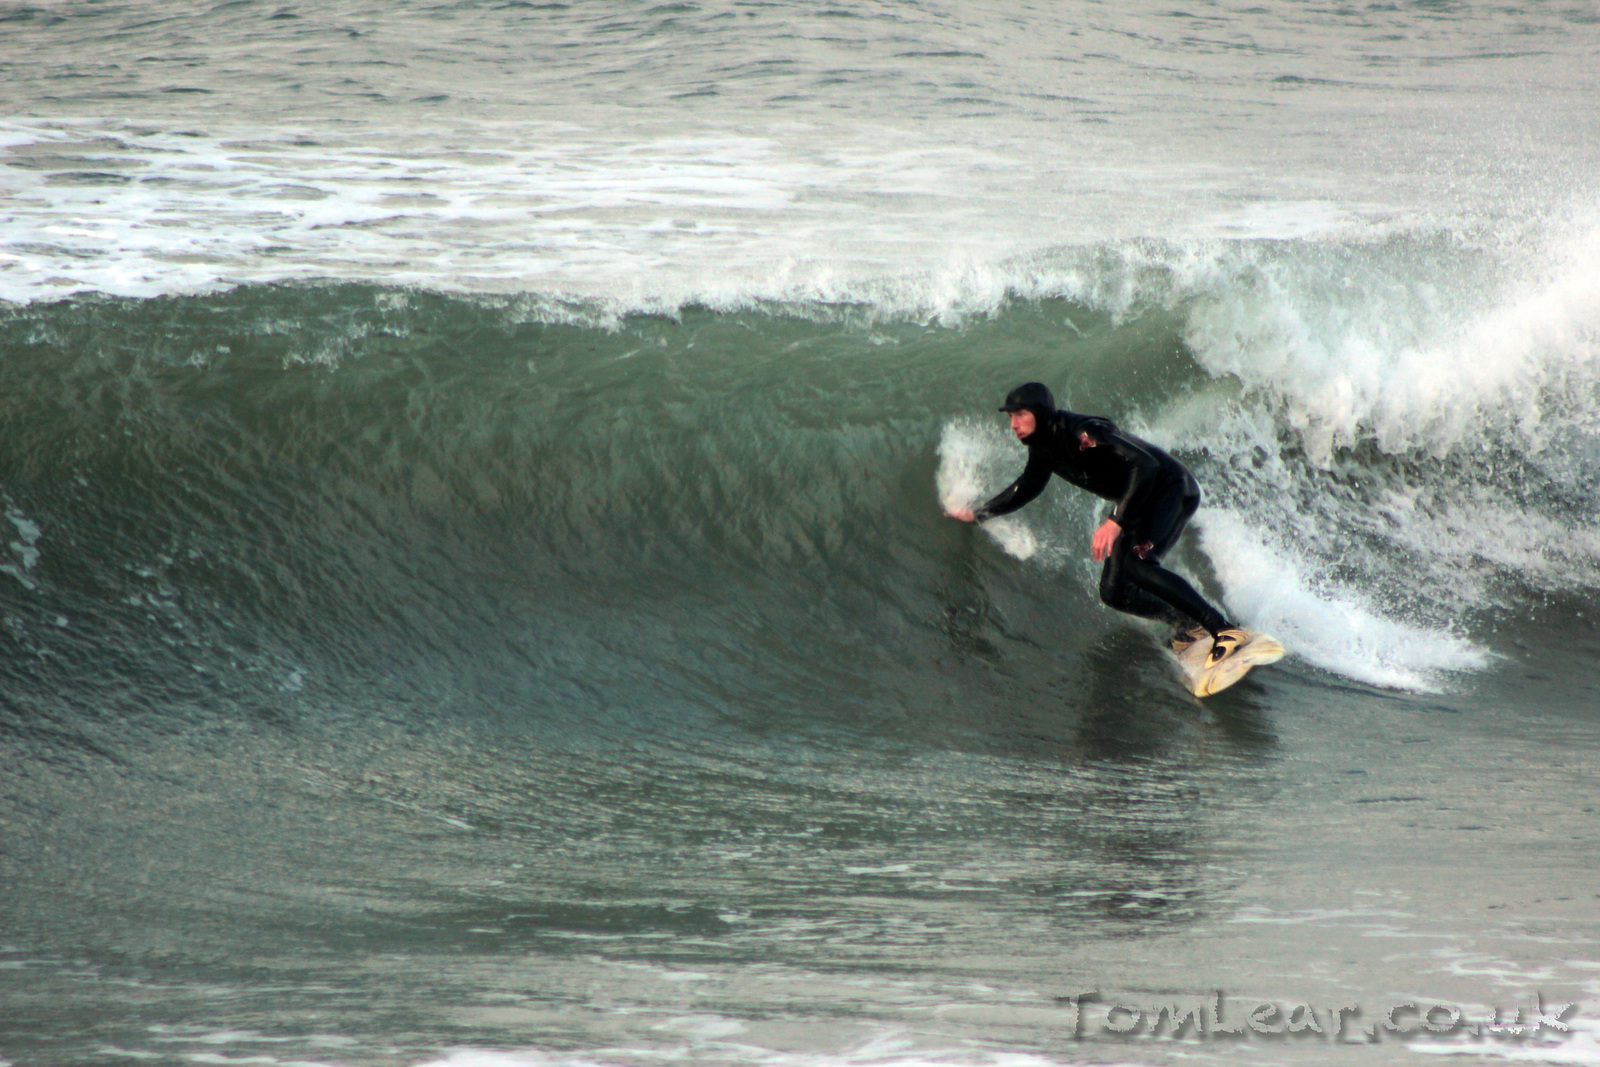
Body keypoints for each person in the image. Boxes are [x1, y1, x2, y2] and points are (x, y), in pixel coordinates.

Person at [947, 382, 1246, 665]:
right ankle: (1190, 626)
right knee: (1115, 593)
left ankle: (1224, 630)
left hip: (1170, 489)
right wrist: (979, 514)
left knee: (1140, 563)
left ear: (1040, 413)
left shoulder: (1084, 432)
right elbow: (1027, 487)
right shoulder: (1043, 448)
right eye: (1011, 417)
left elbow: (1145, 465)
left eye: (1020, 415)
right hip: (1139, 503)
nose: (1013, 424)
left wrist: (1115, 521)